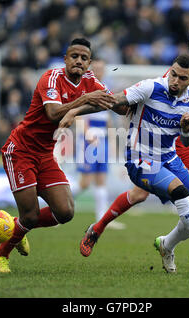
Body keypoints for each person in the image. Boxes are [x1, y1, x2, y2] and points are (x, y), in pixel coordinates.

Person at [64, 54, 189, 273]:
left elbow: (186, 142)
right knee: (178, 192)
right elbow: (113, 100)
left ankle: (166, 245)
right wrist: (74, 111)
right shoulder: (150, 87)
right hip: (139, 159)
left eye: (181, 79)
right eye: (173, 75)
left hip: (169, 158)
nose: (175, 81)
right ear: (170, 70)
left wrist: (187, 129)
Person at [0, 38, 116, 273]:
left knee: (65, 212)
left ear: (89, 63)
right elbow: (52, 113)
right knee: (31, 215)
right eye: (74, 56)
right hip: (21, 151)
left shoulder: (90, 80)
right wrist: (86, 99)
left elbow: (111, 101)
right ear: (65, 59)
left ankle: (17, 228)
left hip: (45, 153)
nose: (79, 61)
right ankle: (0, 255)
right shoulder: (51, 78)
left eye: (84, 58)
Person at [72, 59, 126, 230]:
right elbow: (78, 114)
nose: (99, 71)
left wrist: (112, 140)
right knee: (85, 182)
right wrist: (87, 133)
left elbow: (107, 117)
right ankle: (57, 208)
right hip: (88, 140)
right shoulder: (84, 89)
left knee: (102, 180)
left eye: (101, 68)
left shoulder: (105, 89)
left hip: (102, 139)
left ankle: (102, 221)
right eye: (95, 68)